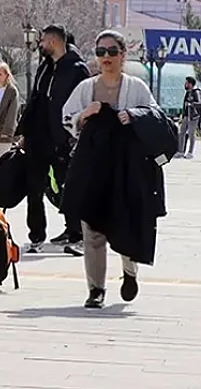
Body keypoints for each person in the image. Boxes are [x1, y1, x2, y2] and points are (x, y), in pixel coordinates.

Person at [61, 30, 159, 309]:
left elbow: (155, 115)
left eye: (112, 51)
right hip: (93, 166)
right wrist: (85, 114)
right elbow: (67, 118)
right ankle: (96, 289)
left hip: (127, 167)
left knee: (124, 222)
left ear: (123, 55)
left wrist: (134, 116)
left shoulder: (136, 87)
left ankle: (130, 271)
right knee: (92, 227)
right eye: (100, 52)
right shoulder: (86, 88)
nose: (106, 57)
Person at [15, 24, 89, 255]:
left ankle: (76, 232)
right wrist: (25, 132)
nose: (40, 44)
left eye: (43, 41)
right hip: (37, 137)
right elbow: (35, 99)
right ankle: (36, 236)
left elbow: (83, 102)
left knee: (68, 186)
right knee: (34, 189)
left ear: (54, 42)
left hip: (62, 138)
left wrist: (75, 134)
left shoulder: (77, 69)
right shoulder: (44, 67)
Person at [176, 76, 201, 159]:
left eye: (187, 83)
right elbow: (184, 104)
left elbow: (199, 103)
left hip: (193, 116)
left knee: (191, 134)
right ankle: (180, 151)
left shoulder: (196, 92)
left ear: (191, 84)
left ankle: (190, 152)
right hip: (186, 116)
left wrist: (191, 104)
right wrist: (183, 115)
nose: (185, 84)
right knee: (181, 133)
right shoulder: (188, 92)